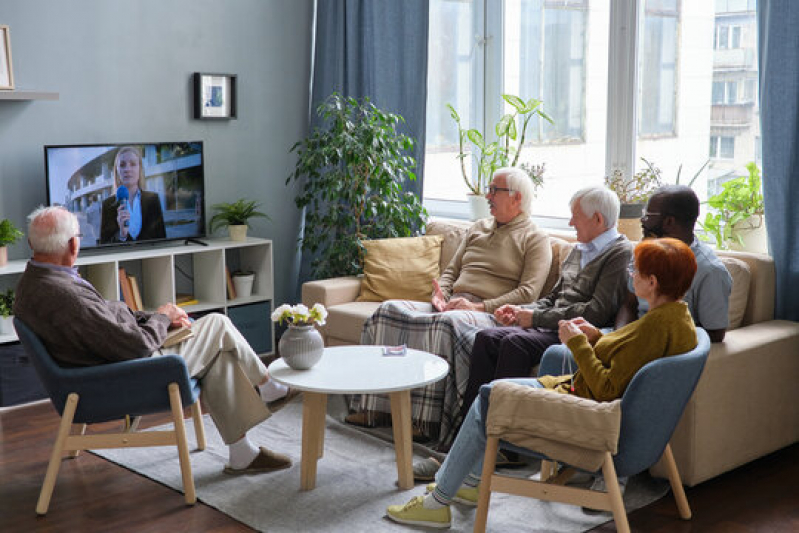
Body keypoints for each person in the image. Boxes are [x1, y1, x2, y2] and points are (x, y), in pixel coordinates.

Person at [385, 237, 699, 529]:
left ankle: (438, 502)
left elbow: (606, 388)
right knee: (492, 396)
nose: (631, 276)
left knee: (488, 398)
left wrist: (576, 345)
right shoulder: (676, 319)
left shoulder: (654, 328)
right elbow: (627, 359)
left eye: (636, 271)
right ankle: (465, 483)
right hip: (585, 400)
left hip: (589, 415)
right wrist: (596, 336)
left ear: (653, 282)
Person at [15, 206, 294, 475]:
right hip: (131, 373)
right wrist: (162, 316)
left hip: (108, 365)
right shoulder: (65, 296)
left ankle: (242, 452)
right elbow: (134, 344)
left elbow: (108, 324)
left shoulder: (36, 281)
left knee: (215, 349)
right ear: (73, 246)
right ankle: (269, 388)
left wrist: (154, 318)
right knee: (217, 324)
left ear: (31, 243)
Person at [346, 167, 552, 443]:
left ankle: (425, 421)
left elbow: (528, 293)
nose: (487, 195)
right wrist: (439, 296)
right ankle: (375, 408)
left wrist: (477, 307)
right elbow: (451, 271)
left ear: (517, 198)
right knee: (388, 310)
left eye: (494, 190)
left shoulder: (535, 238)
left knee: (444, 325)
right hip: (453, 305)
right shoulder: (478, 227)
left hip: (489, 313)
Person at [457, 186, 632, 438]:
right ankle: (467, 432)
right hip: (550, 324)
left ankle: (504, 438)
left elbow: (597, 312)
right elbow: (552, 298)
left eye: (576, 216)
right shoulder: (579, 249)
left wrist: (535, 318)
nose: (571, 222)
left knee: (514, 342)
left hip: (574, 333)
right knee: (486, 337)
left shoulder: (620, 253)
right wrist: (520, 310)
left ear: (598, 219)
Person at [615, 185, 732, 342]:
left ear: (669, 222)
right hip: (631, 337)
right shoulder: (645, 251)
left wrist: (655, 345)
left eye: (648, 215)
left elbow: (715, 334)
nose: (643, 221)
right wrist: (617, 340)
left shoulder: (709, 271)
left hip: (665, 348)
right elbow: (629, 304)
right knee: (572, 350)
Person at [100, 146, 166, 243]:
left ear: (140, 169)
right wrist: (122, 235)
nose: (127, 169)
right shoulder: (107, 204)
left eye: (133, 164)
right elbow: (104, 245)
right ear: (117, 172)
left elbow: (162, 239)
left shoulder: (153, 199)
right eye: (122, 165)